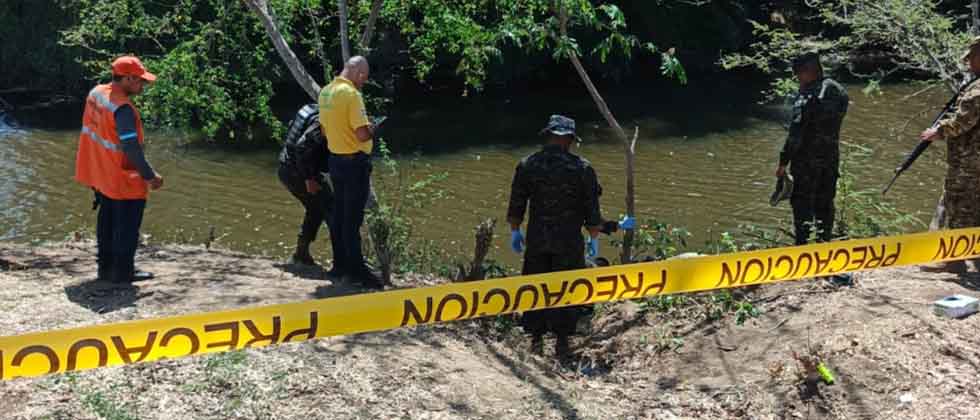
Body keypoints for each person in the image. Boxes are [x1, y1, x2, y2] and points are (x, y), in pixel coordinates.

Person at [507, 114, 634, 359]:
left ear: (548, 136)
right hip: (568, 241)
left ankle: (535, 338)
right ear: (569, 139)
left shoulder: (528, 164)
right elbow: (591, 213)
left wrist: (515, 231)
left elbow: (517, 203)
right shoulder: (582, 168)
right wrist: (596, 236)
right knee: (566, 288)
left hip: (537, 238)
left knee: (536, 284)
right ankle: (562, 341)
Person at [74, 56, 163, 284]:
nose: (143, 85)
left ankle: (105, 269)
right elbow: (131, 147)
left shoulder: (96, 93)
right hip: (122, 179)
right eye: (140, 80)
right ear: (128, 78)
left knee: (107, 221)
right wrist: (150, 175)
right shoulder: (123, 109)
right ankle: (123, 273)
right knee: (127, 227)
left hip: (101, 173)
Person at [320, 56, 382, 288]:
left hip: (335, 161)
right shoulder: (351, 95)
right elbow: (362, 135)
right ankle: (358, 272)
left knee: (340, 215)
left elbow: (324, 131)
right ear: (359, 74)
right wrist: (373, 128)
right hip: (354, 164)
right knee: (352, 219)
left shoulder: (326, 92)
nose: (363, 82)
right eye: (364, 78)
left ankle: (339, 266)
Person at [919, 36, 980, 273]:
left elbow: (962, 122)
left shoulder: (977, 91)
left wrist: (938, 131)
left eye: (972, 58)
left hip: (969, 162)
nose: (968, 63)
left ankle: (955, 261)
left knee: (959, 205)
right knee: (973, 206)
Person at [775, 52, 849, 246]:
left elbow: (796, 134)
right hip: (830, 160)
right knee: (825, 205)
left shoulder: (808, 96)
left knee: (802, 206)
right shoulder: (840, 91)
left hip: (806, 164)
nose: (798, 78)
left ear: (808, 72)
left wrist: (783, 163)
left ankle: (802, 250)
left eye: (799, 74)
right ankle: (824, 246)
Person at [278, 103, 333, 266]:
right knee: (327, 207)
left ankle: (301, 253)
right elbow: (301, 147)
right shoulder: (322, 120)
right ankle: (302, 254)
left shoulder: (310, 108)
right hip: (297, 172)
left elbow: (291, 132)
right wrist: (309, 178)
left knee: (318, 207)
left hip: (287, 167)